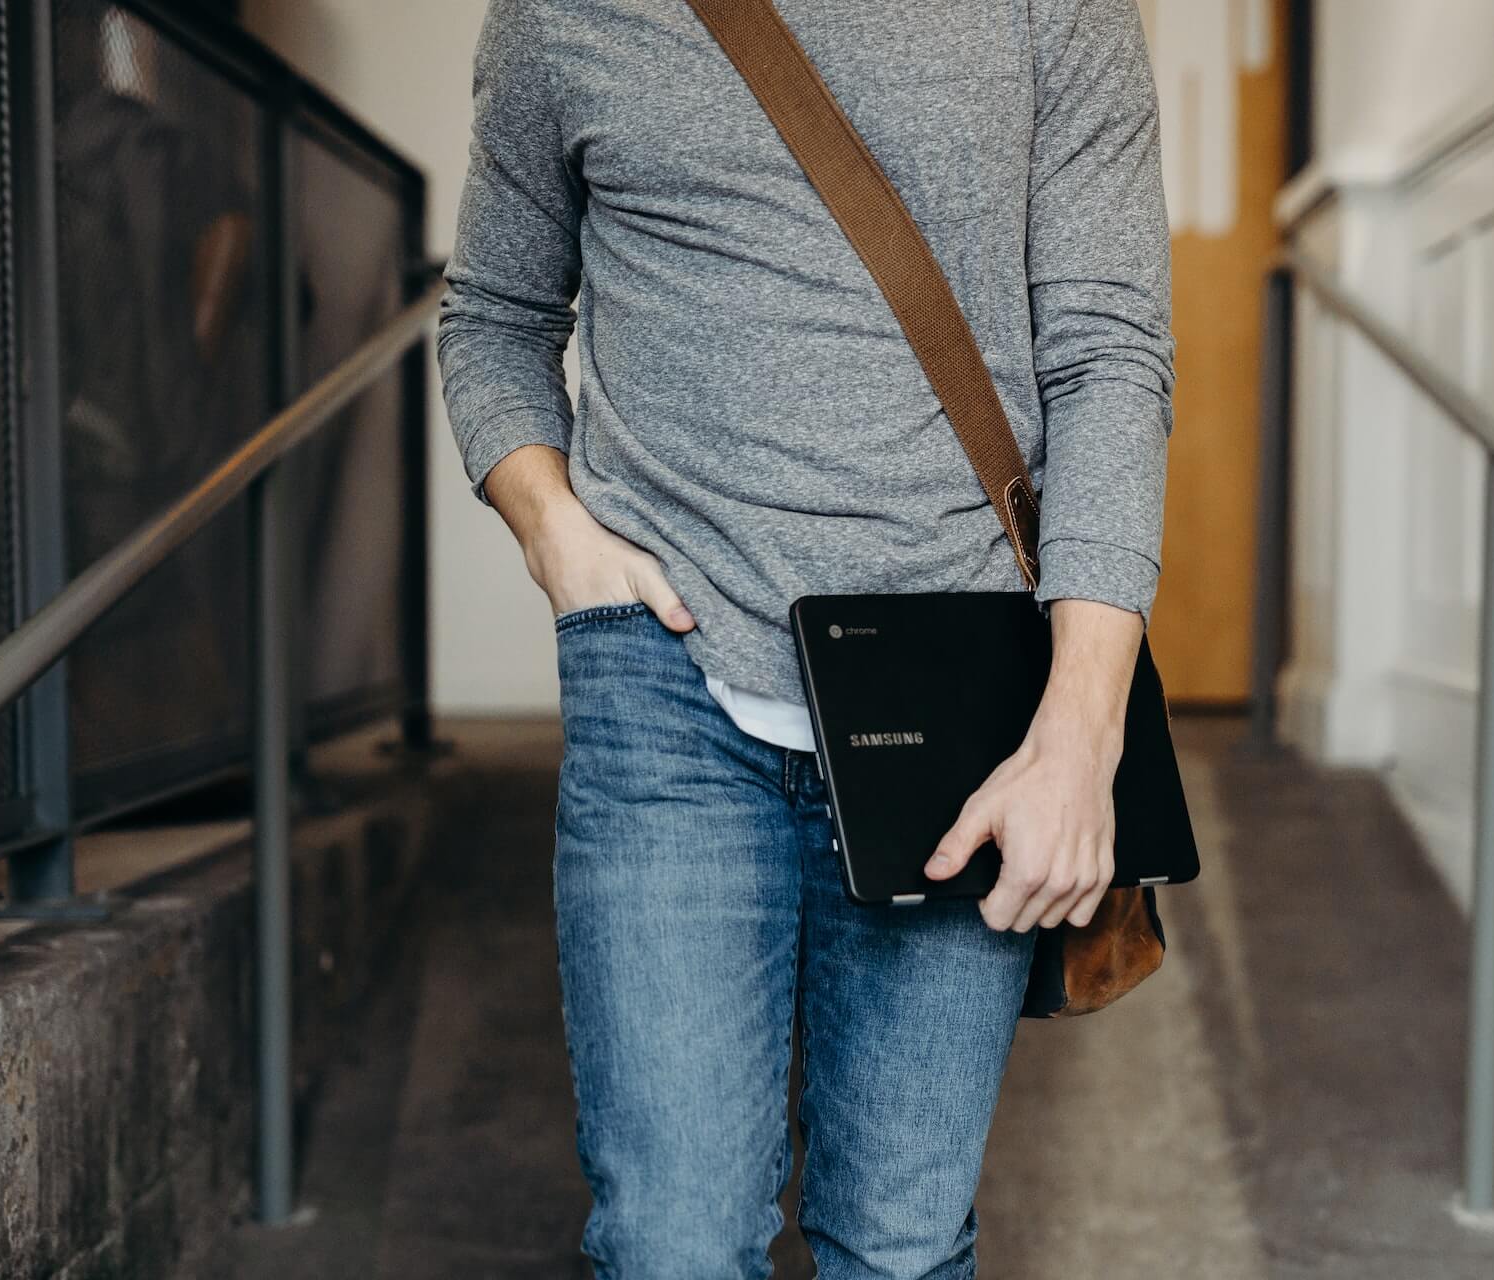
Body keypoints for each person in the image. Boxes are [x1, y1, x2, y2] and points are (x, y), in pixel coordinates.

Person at [438, 1, 1174, 1275]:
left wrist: (1078, 734)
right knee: (672, 1246)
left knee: (898, 1246)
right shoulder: (564, 12)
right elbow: (492, 316)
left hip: (962, 700)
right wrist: (559, 538)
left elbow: (1109, 356)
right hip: (666, 678)